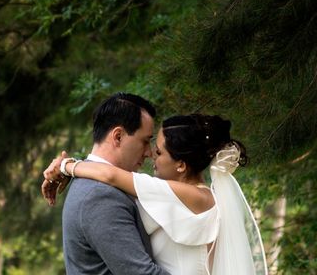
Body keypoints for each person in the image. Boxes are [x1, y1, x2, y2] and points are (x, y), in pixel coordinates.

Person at [44, 112, 268, 275]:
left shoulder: (192, 197)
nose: (151, 155)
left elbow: (111, 176)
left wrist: (66, 166)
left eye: (159, 152)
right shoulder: (186, 195)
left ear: (181, 165)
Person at [42, 92, 169, 275]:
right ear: (118, 136)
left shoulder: (94, 183)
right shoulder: (100, 196)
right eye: (144, 141)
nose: (149, 152)